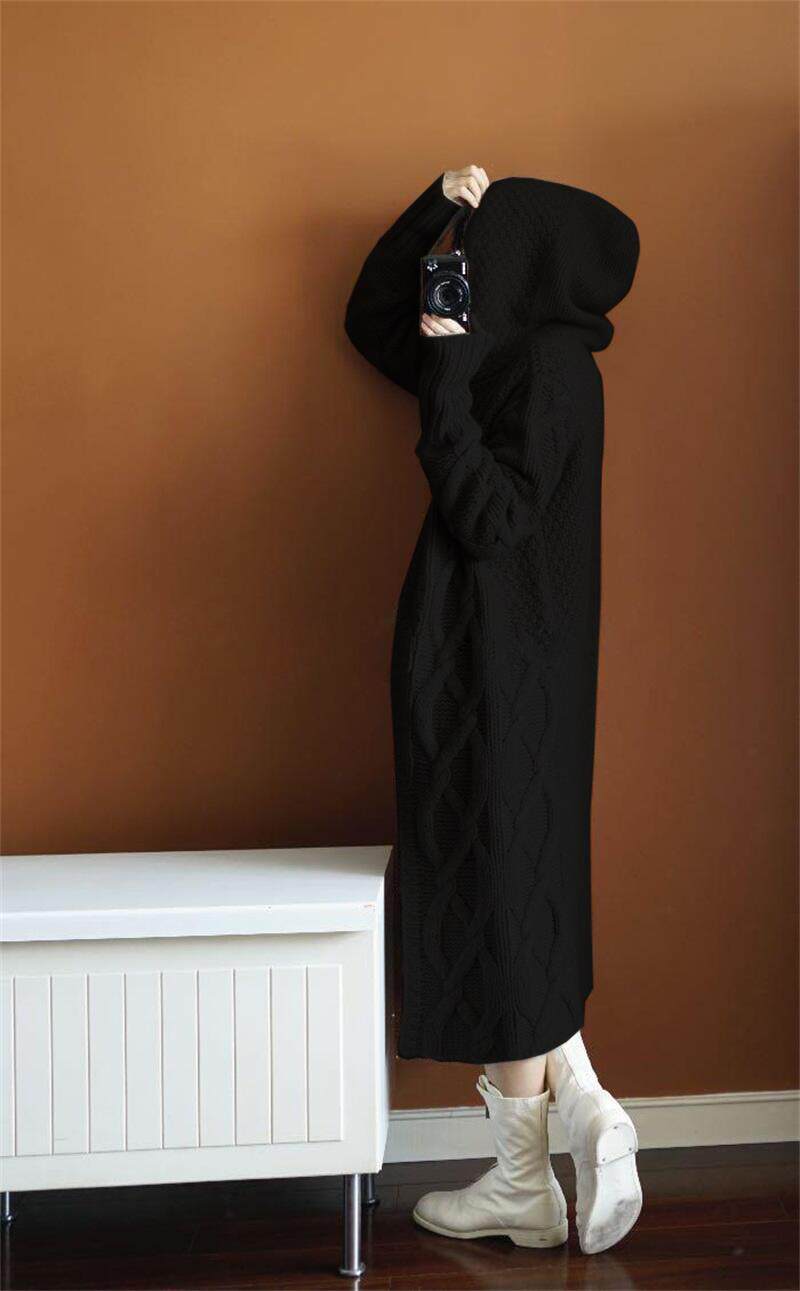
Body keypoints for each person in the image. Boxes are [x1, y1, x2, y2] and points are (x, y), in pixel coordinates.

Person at [344, 165, 642, 1254]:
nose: (472, 261)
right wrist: (437, 209)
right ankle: (568, 1130)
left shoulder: (551, 376)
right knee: (508, 882)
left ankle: (542, 1160)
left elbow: (487, 516)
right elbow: (373, 321)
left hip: (500, 670)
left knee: (500, 884)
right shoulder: (503, 353)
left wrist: (445, 408)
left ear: (530, 261)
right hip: (503, 666)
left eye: (487, 244)